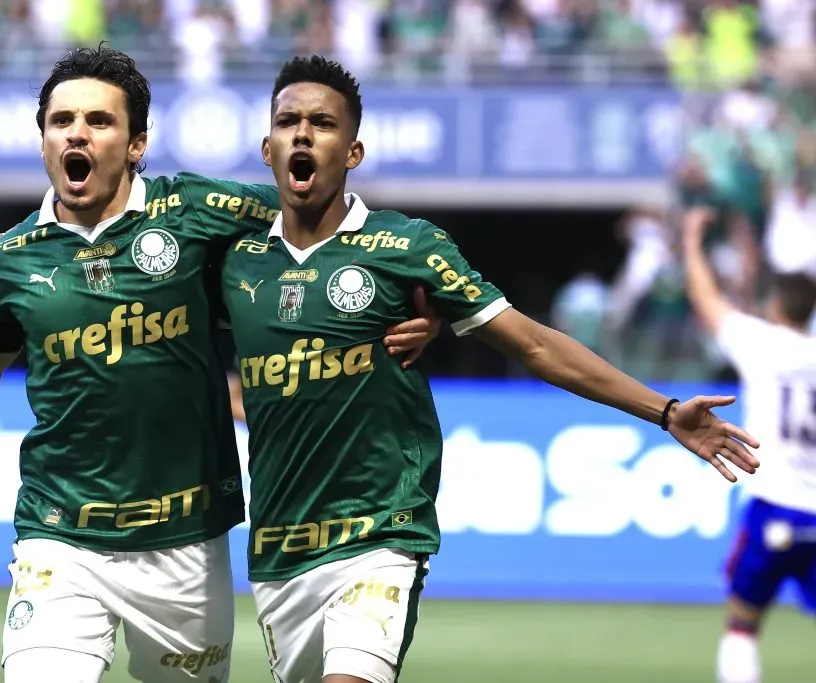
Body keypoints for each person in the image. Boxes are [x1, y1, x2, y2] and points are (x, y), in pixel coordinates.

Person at [0, 46, 438, 683]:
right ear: (42, 142)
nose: (77, 133)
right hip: (60, 535)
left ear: (137, 143)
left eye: (99, 121)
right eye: (62, 121)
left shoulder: (201, 213)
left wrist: (423, 306)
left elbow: (329, 227)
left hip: (187, 545)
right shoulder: (12, 262)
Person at [218, 55, 762, 683]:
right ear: (267, 147)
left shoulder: (407, 249)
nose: (304, 134)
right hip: (279, 548)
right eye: (289, 122)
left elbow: (533, 345)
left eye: (323, 123)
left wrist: (664, 412)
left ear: (355, 150)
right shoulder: (235, 252)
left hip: (378, 535)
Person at [683, 203, 816, 683]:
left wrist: (692, 243)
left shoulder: (760, 342)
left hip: (775, 505)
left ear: (775, 305)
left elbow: (706, 299)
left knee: (742, 623)